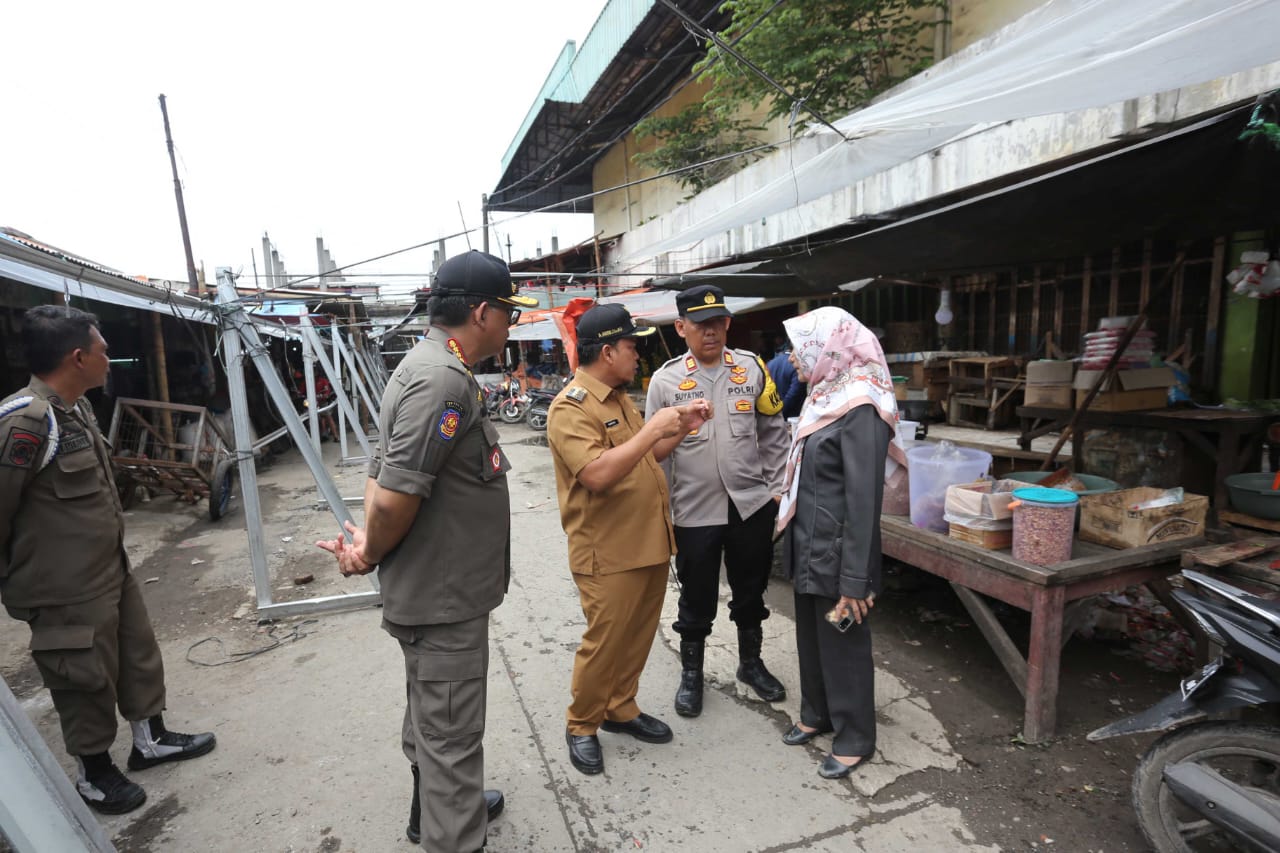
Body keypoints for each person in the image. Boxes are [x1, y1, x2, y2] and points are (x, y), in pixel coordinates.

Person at [316, 250, 536, 851]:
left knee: (432, 718)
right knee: (451, 735)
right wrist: (367, 549)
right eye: (508, 313)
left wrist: (368, 542)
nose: (511, 325)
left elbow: (383, 472)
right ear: (483, 312)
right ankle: (453, 830)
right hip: (444, 600)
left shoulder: (431, 367)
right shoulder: (441, 379)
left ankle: (433, 807)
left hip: (441, 591)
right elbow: (390, 499)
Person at [0, 304, 216, 814]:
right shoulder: (25, 422)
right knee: (83, 678)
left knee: (137, 657)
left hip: (107, 570)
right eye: (103, 351)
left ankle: (150, 740)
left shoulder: (75, 411)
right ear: (77, 358)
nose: (109, 359)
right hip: (62, 587)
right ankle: (95, 773)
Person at [547, 304, 711, 776]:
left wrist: (678, 429)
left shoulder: (618, 398)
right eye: (631, 347)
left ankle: (621, 706)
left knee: (638, 635)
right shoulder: (570, 407)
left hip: (648, 542)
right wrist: (654, 428)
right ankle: (581, 724)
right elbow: (597, 474)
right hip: (608, 550)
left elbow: (646, 456)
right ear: (607, 351)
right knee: (605, 641)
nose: (637, 355)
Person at [644, 285, 790, 718]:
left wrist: (776, 492)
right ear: (680, 327)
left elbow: (774, 432)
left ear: (727, 323)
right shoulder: (666, 380)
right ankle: (692, 675)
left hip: (749, 505)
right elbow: (654, 453)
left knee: (751, 590)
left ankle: (750, 663)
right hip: (694, 510)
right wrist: (662, 511)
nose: (711, 331)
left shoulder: (751, 368)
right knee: (697, 595)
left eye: (718, 322)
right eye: (700, 324)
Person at [774, 306, 905, 779]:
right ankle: (818, 713)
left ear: (829, 345)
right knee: (811, 634)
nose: (791, 356)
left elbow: (863, 499)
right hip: (811, 543)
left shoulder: (862, 406)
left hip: (839, 548)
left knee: (844, 637)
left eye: (798, 345)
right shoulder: (824, 396)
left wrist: (856, 576)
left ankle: (854, 736)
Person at [766, 336, 806, 419]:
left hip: (774, 414)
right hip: (792, 416)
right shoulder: (798, 365)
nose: (791, 359)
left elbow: (766, 390)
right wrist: (780, 412)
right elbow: (794, 393)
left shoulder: (770, 363)